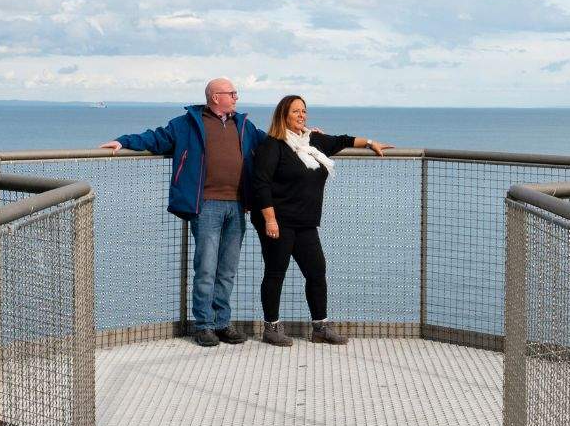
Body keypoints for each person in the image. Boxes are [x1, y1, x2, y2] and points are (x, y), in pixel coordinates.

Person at [100, 79, 267, 348]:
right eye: (231, 93)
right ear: (215, 97)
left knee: (227, 270)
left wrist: (305, 136)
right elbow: (154, 138)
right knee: (206, 268)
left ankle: (222, 323)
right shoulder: (186, 124)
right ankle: (204, 325)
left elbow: (273, 144)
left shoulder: (243, 125)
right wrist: (123, 141)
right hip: (206, 205)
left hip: (237, 206)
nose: (236, 97)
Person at [249, 94, 390, 347]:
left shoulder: (313, 142)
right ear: (283, 116)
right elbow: (261, 185)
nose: (301, 115)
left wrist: (370, 143)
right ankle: (271, 328)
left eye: (304, 111)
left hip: (305, 223)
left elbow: (343, 140)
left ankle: (320, 327)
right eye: (295, 112)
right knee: (275, 273)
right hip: (278, 222)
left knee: (316, 272)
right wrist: (270, 220)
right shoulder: (273, 145)